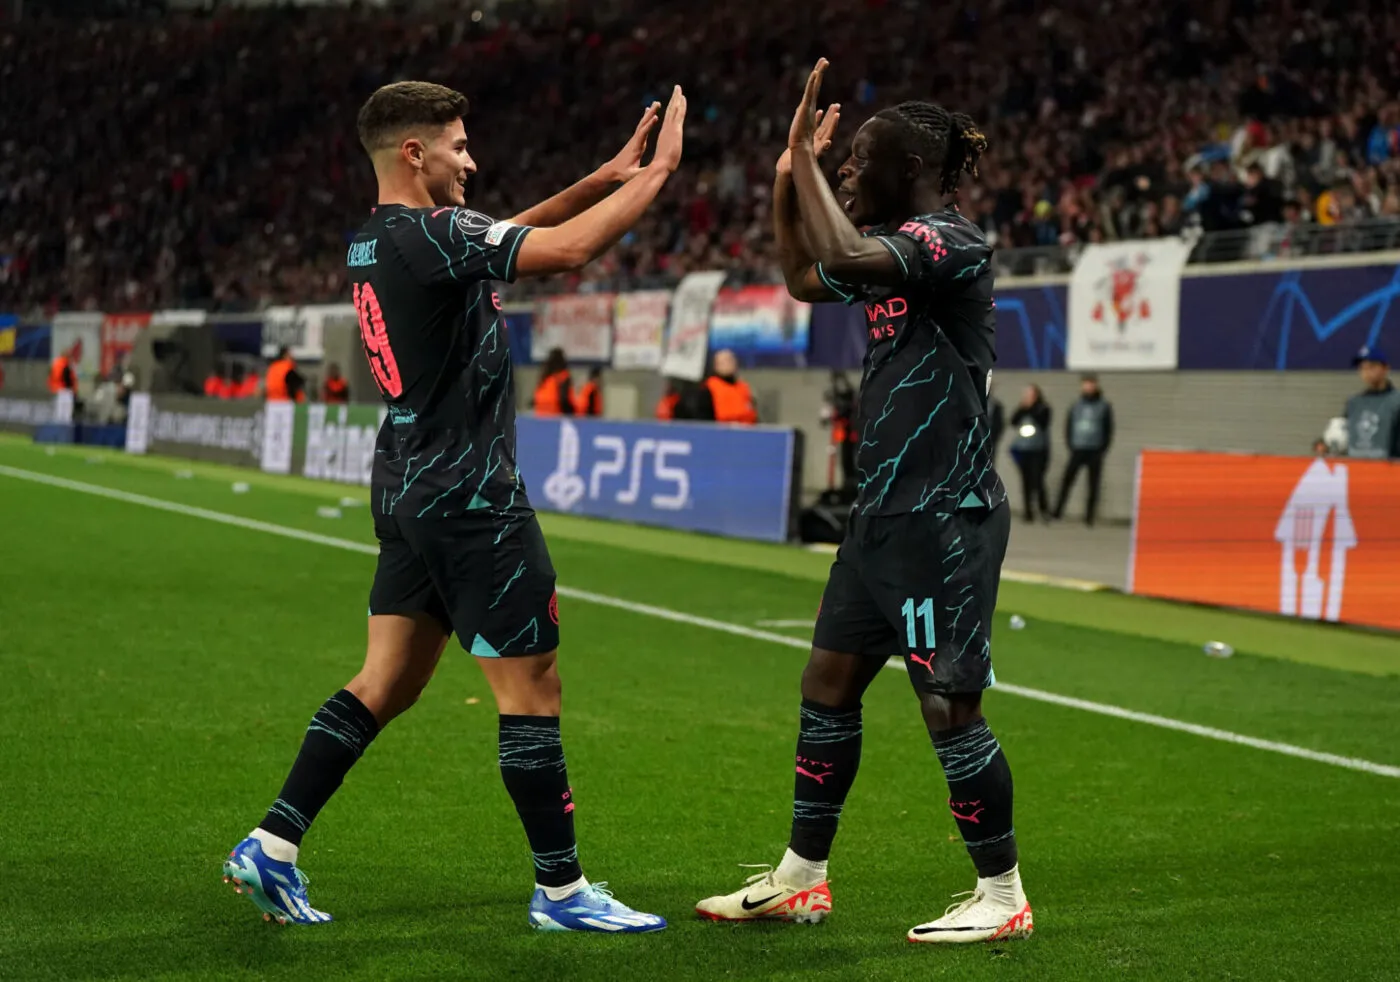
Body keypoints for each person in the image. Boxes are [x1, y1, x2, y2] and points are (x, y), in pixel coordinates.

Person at [222, 79, 688, 933]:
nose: (470, 161)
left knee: (386, 682)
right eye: (458, 146)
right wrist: (659, 174)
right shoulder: (433, 234)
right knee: (532, 688)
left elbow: (512, 232)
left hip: (408, 483)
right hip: (472, 494)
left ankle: (273, 844)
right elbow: (566, 252)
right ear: (415, 151)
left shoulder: (379, 238)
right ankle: (562, 891)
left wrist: (601, 178)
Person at [696, 60, 1031, 944]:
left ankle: (1002, 894)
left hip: (943, 517)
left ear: (910, 167)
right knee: (828, 682)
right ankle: (802, 878)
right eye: (839, 162)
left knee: (948, 705)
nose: (846, 169)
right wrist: (787, 177)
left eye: (858, 159)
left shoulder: (950, 241)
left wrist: (806, 162)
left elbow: (839, 254)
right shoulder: (892, 251)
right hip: (881, 515)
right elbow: (808, 277)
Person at [1053, 374, 1114, 526]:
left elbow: (1108, 429)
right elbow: (1068, 426)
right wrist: (1071, 444)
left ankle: (1089, 517)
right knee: (1067, 481)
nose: (1087, 387)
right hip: (1078, 449)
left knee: (1093, 485)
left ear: (1096, 385)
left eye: (1090, 384)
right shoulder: (1076, 405)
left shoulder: (1104, 406)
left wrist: (1102, 449)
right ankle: (1057, 512)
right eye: (1085, 384)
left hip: (1095, 450)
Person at [1344, 344, 1400, 459]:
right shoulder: (1354, 403)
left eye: (1372, 367)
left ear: (1385, 369)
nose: (1366, 372)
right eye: (1362, 368)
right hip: (1356, 466)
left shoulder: (1396, 402)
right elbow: (1342, 431)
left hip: (1388, 467)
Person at [1009, 386, 1052, 523]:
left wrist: (1030, 408)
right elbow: (1013, 421)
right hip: (1023, 449)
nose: (1026, 396)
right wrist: (1022, 408)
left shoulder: (1043, 409)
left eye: (1029, 394)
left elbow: (1043, 422)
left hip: (1038, 450)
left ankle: (1044, 510)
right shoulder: (1022, 409)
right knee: (1025, 481)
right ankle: (1028, 512)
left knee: (1038, 480)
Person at [701, 349, 758, 424]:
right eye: (723, 362)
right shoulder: (708, 388)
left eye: (730, 360)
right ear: (716, 365)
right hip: (721, 429)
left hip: (748, 428)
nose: (728, 364)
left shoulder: (744, 387)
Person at [531, 347, 573, 416]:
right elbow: (564, 400)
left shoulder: (545, 376)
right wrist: (572, 414)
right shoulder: (563, 376)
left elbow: (535, 398)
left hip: (539, 414)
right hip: (555, 415)